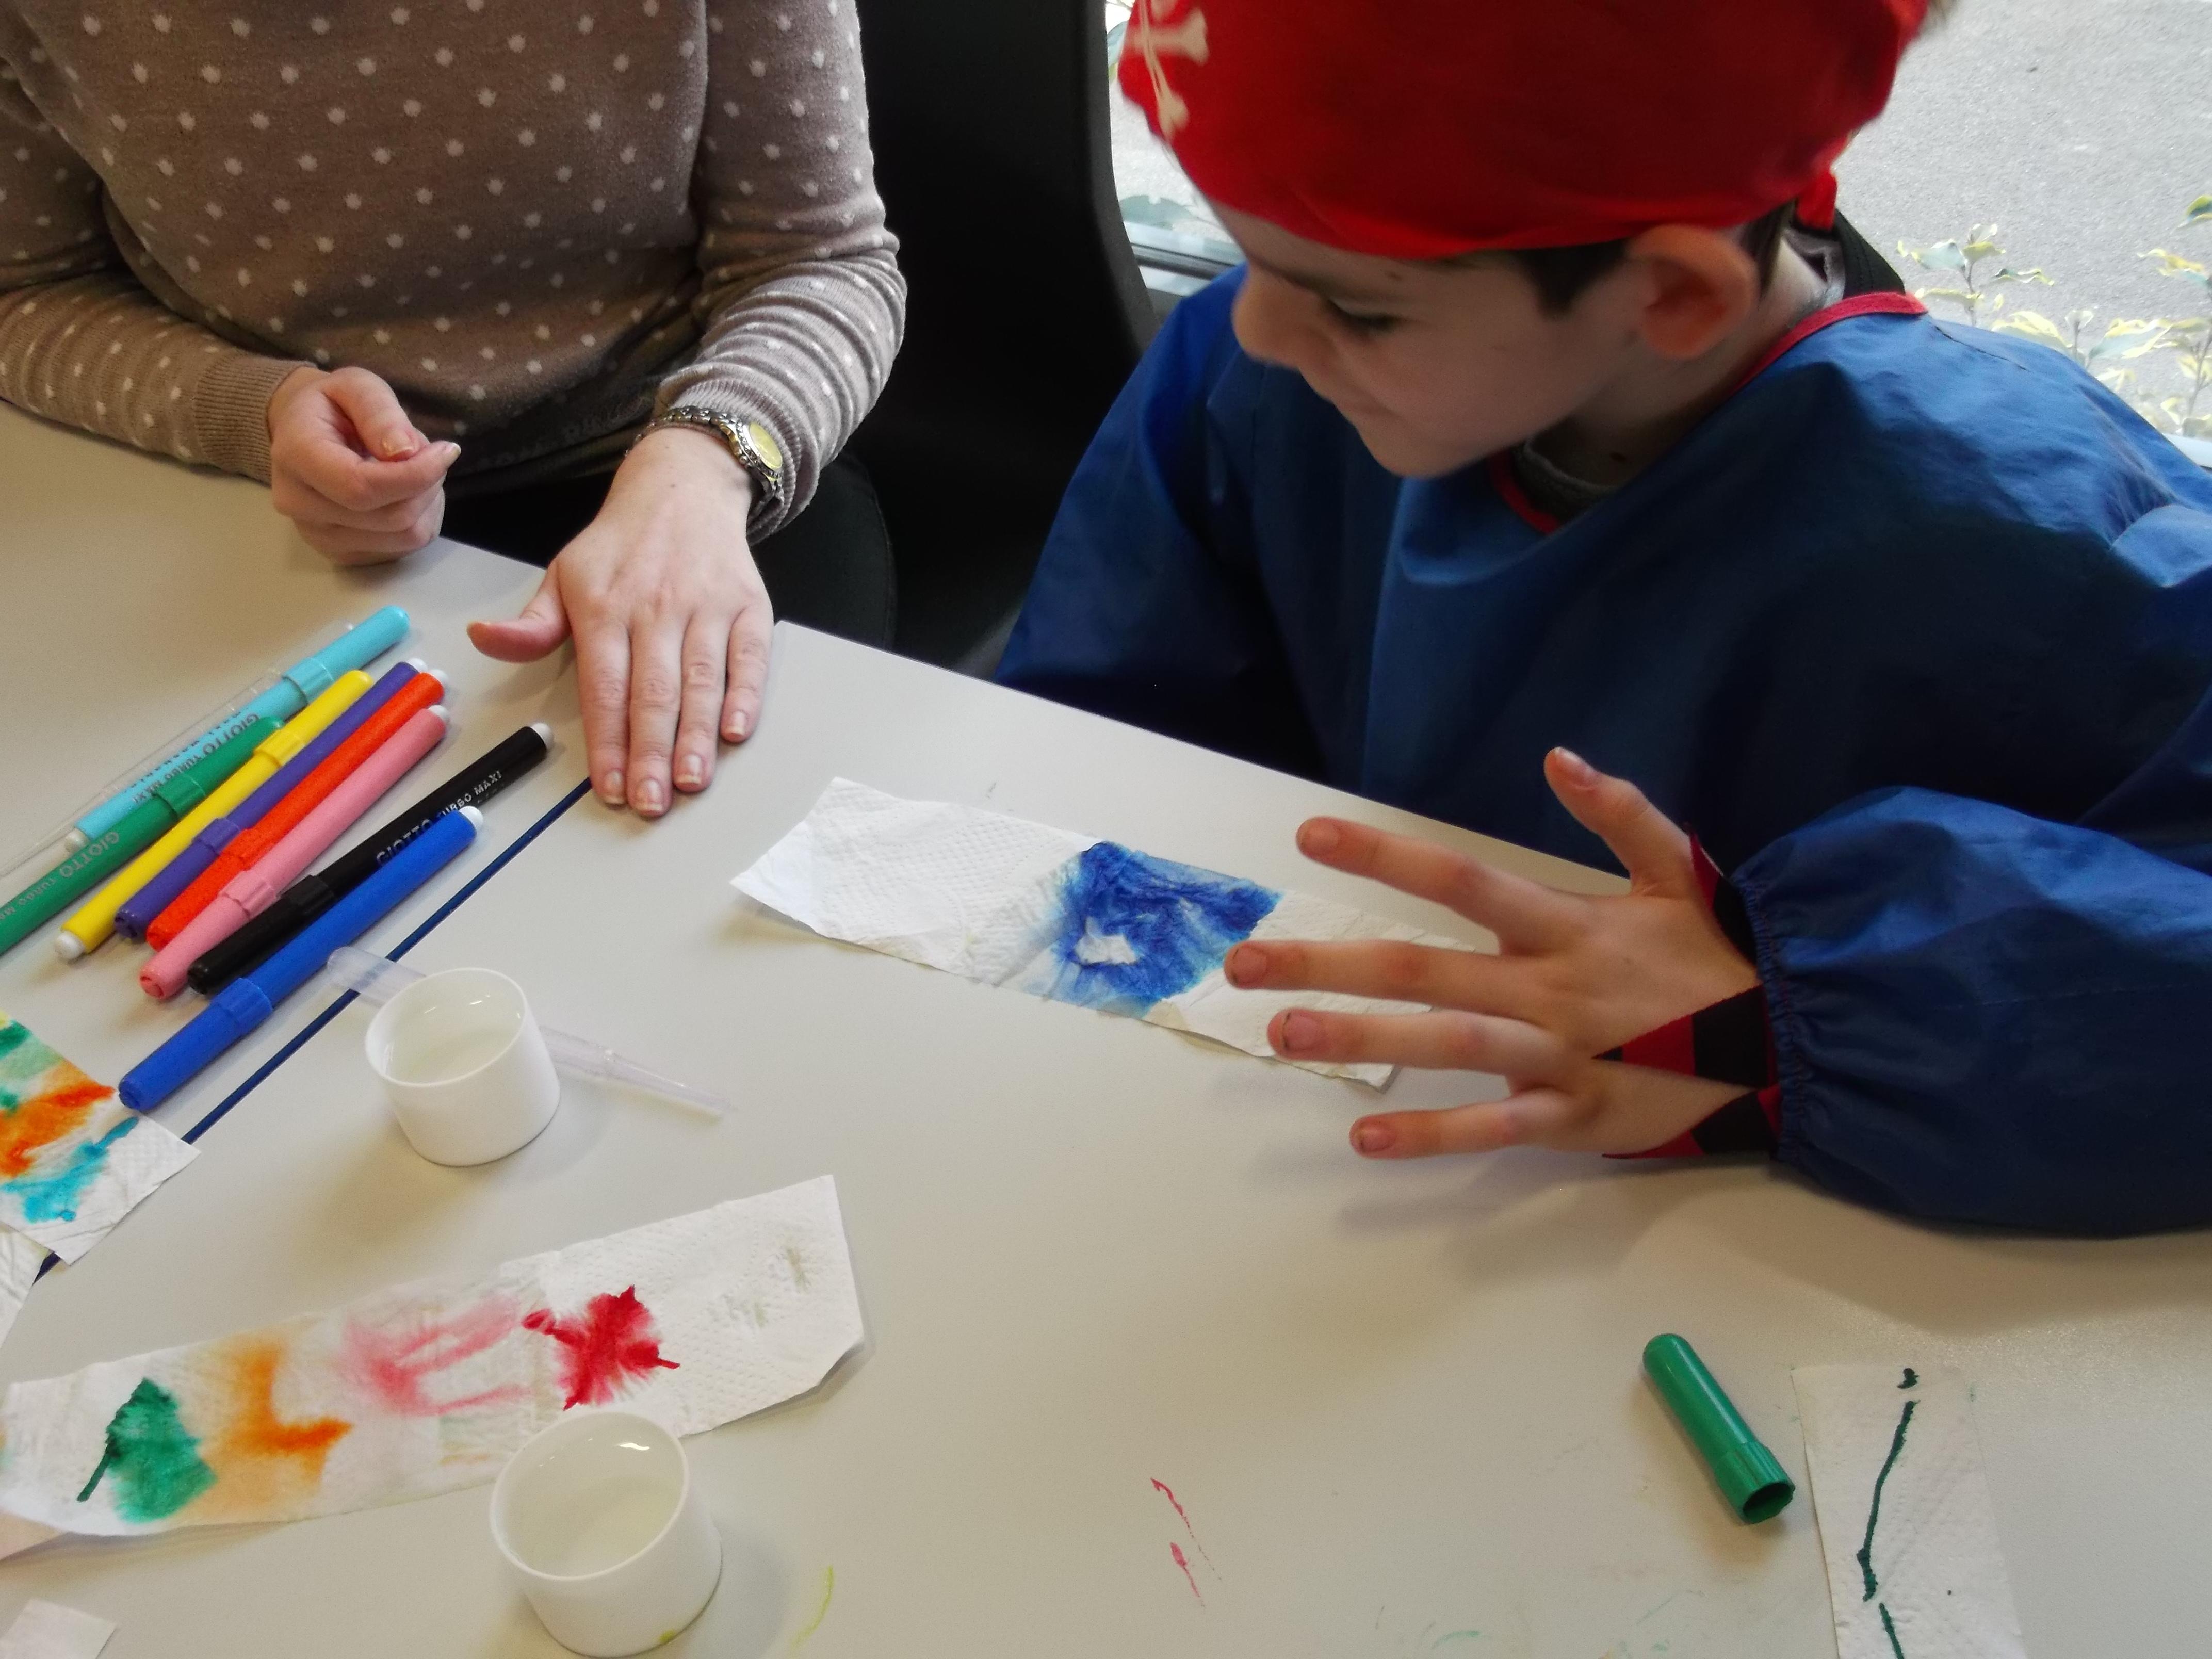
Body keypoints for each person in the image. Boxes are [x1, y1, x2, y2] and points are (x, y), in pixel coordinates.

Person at [997, 0, 2212, 1235]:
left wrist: (1780, 1018)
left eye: (1357, 307)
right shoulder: (1274, 366)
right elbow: (1095, 733)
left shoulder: (2054, 537)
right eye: (1242, 250)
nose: (1254, 327)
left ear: (1674, 295)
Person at [0, 0, 904, 821]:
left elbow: (820, 259)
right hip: (251, 507)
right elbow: (29, 291)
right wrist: (254, 408)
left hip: (689, 459)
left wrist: (701, 461)